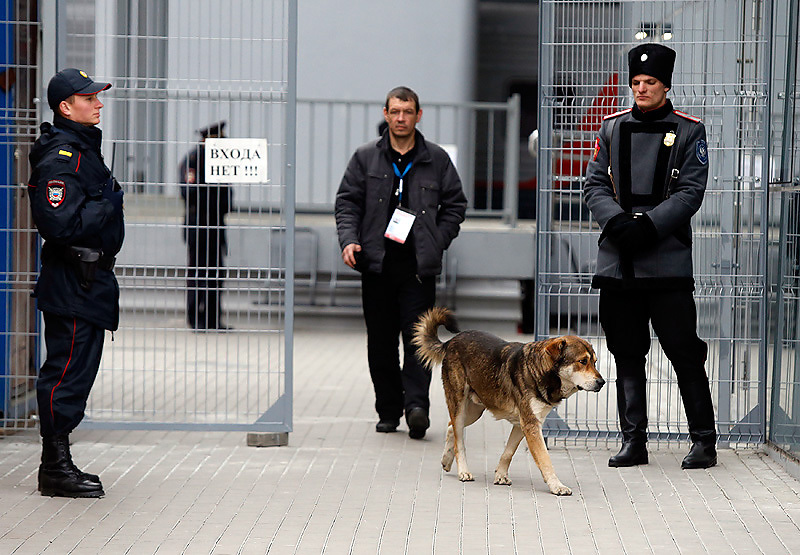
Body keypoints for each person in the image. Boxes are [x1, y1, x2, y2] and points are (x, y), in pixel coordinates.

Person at [583, 43, 717, 469]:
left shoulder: (690, 131)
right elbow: (594, 184)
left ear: (666, 85)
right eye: (636, 82)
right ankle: (633, 441)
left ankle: (704, 441)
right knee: (626, 351)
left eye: (650, 82)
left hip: (667, 261)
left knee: (683, 350)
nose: (641, 89)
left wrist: (647, 226)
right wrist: (617, 222)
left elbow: (690, 192)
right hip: (618, 258)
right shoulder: (612, 128)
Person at [335, 86, 467, 439]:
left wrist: (438, 240)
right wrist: (349, 240)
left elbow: (456, 205)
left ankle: (417, 407)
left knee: (419, 340)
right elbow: (347, 202)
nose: (401, 118)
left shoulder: (435, 158)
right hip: (376, 265)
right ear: (386, 113)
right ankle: (389, 410)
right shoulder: (366, 157)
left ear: (418, 115)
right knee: (380, 343)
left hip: (417, 268)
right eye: (395, 111)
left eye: (407, 112)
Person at [27, 68, 124, 497]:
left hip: (89, 281)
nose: (98, 104)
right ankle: (54, 467)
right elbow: (59, 225)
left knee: (78, 372)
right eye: (89, 98)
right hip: (73, 281)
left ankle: (59, 461)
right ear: (66, 107)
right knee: (65, 373)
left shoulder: (83, 150)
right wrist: (106, 204)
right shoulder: (62, 157)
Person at [179, 122, 232, 331]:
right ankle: (195, 319)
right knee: (198, 272)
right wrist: (211, 192)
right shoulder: (193, 160)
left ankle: (213, 319)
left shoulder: (222, 163)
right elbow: (188, 192)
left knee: (216, 273)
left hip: (216, 223)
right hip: (198, 223)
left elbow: (227, 197)